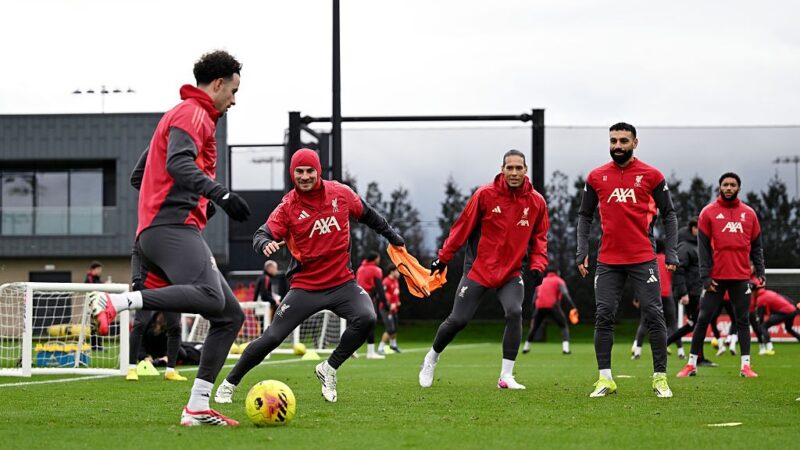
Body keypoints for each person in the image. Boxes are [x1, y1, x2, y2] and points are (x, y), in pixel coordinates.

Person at [89, 50, 250, 426]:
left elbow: (139, 175)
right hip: (169, 229)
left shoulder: (179, 116)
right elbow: (178, 163)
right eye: (234, 90)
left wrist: (194, 203)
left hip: (165, 228)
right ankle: (120, 302)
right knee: (212, 297)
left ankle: (196, 406)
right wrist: (219, 195)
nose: (235, 100)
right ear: (218, 84)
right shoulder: (193, 114)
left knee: (229, 315)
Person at [213, 148, 405, 404]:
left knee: (367, 318)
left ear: (318, 171)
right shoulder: (288, 206)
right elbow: (262, 234)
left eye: (309, 171)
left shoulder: (341, 193)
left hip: (342, 283)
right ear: (293, 174)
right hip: (306, 287)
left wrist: (393, 237)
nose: (304, 176)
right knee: (271, 337)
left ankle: (329, 368)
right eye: (299, 172)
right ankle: (228, 384)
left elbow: (370, 215)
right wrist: (264, 244)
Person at [419, 149, 549, 390]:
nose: (514, 172)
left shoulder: (536, 202)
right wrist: (443, 258)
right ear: (502, 169)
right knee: (458, 320)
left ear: (525, 170)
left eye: (518, 168)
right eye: (509, 168)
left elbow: (540, 237)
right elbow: (461, 228)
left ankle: (506, 376)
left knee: (514, 312)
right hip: (478, 270)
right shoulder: (485, 194)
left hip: (510, 273)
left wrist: (538, 265)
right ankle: (431, 358)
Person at [576, 122, 678, 398]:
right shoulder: (596, 177)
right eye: (613, 141)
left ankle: (660, 378)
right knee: (603, 316)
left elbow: (669, 214)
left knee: (655, 315)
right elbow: (585, 216)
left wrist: (672, 250)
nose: (617, 146)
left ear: (635, 142)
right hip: (608, 259)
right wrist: (581, 249)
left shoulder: (652, 175)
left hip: (643, 258)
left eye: (623, 140)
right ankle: (605, 379)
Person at [676, 172, 765, 379]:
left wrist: (760, 271)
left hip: (741, 276)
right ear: (720, 187)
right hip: (715, 278)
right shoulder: (708, 213)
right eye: (725, 184)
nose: (728, 188)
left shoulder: (749, 214)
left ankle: (745, 366)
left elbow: (757, 247)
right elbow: (703, 248)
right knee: (702, 319)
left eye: (732, 185)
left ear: (738, 188)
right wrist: (705, 277)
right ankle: (691, 364)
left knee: (743, 320)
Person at [127, 242, 186, 382]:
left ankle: (170, 370)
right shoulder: (148, 225)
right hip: (147, 283)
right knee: (140, 323)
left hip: (171, 284)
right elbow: (136, 251)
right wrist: (136, 278)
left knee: (175, 327)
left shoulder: (178, 231)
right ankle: (131, 368)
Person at [631, 240, 682, 359]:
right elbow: (675, 277)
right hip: (667, 294)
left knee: (644, 322)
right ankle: (681, 352)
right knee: (673, 324)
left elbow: (641, 280)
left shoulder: (649, 260)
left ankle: (637, 351)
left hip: (651, 295)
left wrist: (637, 297)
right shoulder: (668, 260)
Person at [522, 269, 576, 355]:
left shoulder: (541, 282)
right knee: (563, 326)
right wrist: (573, 307)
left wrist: (533, 312)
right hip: (553, 306)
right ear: (558, 273)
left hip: (539, 307)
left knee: (534, 327)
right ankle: (566, 349)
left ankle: (526, 347)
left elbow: (534, 299)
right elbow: (565, 294)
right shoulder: (559, 280)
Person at [355, 251, 387, 359]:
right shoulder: (376, 270)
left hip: (356, 298)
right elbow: (379, 288)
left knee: (357, 324)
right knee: (371, 324)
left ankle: (351, 350)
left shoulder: (360, 269)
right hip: (368, 298)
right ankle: (370, 352)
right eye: (379, 258)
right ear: (375, 259)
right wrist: (385, 303)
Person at [752, 282, 800, 354]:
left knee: (763, 326)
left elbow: (760, 317)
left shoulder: (760, 299)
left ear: (754, 291)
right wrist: (794, 304)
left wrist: (759, 327)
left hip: (785, 312)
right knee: (788, 328)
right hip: (792, 310)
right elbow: (783, 297)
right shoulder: (768, 292)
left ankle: (769, 347)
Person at [378, 264, 402, 354]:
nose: (399, 273)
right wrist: (389, 304)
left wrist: (397, 302)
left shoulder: (396, 281)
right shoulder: (386, 281)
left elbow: (395, 295)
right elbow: (383, 295)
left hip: (394, 309)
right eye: (397, 271)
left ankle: (393, 346)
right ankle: (380, 348)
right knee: (390, 329)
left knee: (395, 328)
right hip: (386, 309)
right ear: (392, 271)